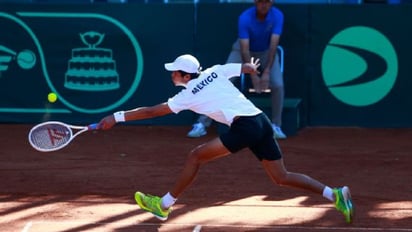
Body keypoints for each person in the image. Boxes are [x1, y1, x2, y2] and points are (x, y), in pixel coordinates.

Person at [97, 54, 354, 223]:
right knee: (281, 177)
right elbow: (244, 67)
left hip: (246, 126)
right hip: (261, 121)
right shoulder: (215, 71)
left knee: (195, 156)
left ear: (186, 77)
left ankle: (164, 205)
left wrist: (116, 117)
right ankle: (335, 195)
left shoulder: (186, 96)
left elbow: (152, 111)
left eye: (175, 72)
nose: (172, 74)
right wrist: (251, 67)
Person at [187, 0, 287, 139]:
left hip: (266, 53)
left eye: (267, 1)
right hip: (242, 52)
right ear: (255, 2)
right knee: (222, 80)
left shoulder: (277, 16)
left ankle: (276, 125)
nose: (264, 5)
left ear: (272, 2)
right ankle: (202, 123)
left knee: (278, 85)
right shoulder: (245, 18)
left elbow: (273, 45)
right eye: (260, 1)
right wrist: (253, 76)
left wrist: (266, 72)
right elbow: (245, 50)